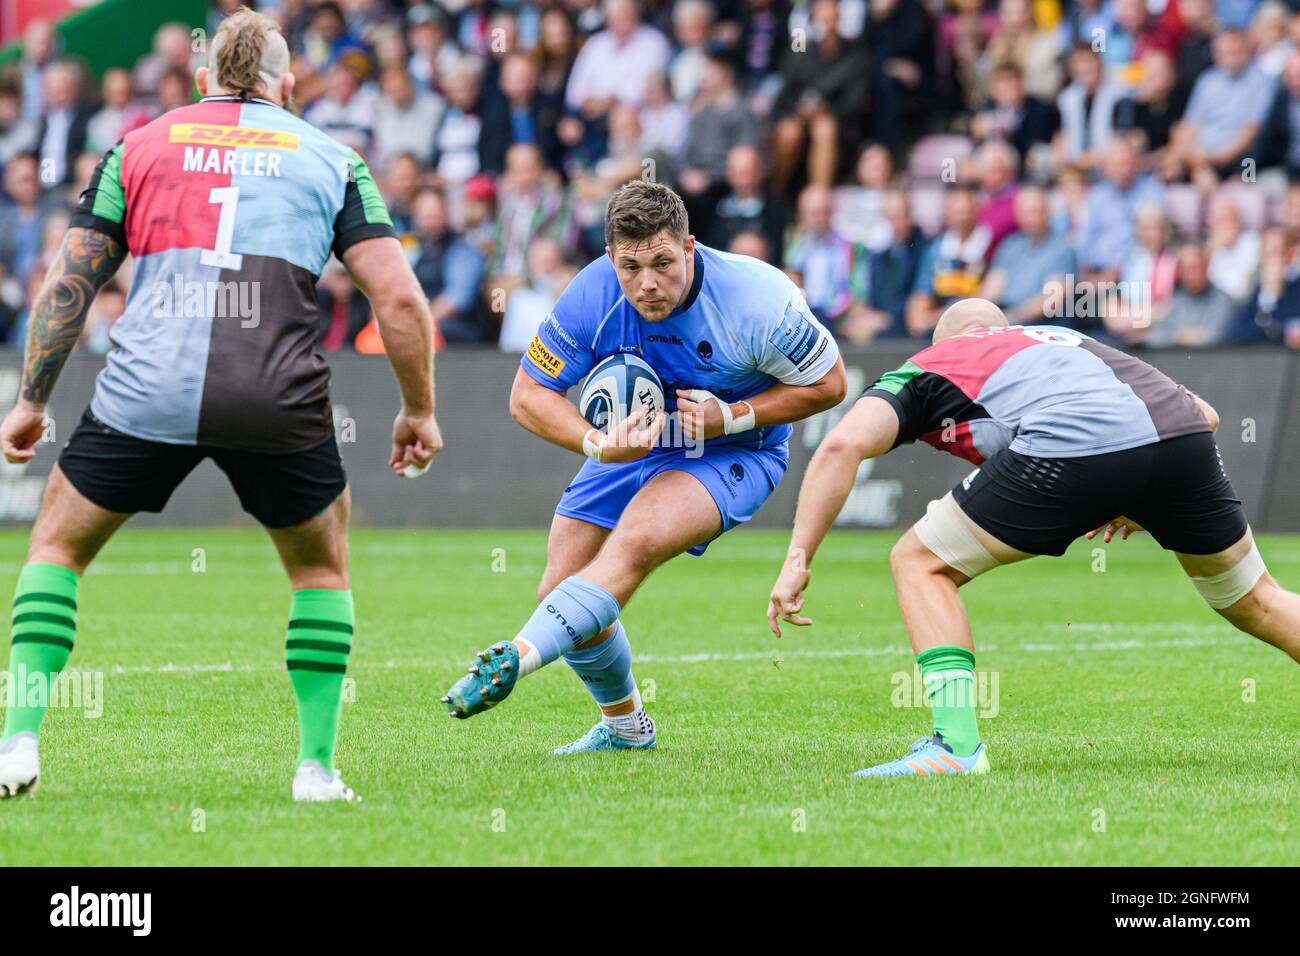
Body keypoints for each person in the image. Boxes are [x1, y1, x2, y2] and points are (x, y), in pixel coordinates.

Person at [0, 8, 442, 803]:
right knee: (318, 568)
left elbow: (69, 282)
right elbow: (401, 302)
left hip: (146, 391)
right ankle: (315, 769)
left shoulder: (137, 144)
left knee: (57, 549)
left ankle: (18, 745)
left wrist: (33, 400)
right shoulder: (333, 157)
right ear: (289, 85)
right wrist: (419, 410)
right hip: (275, 397)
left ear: (203, 81)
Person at [767, 299, 1299, 777]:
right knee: (1256, 599)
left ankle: (956, 748)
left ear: (943, 343)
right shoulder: (1069, 341)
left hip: (1074, 442)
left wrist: (798, 557)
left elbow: (841, 448)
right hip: (1182, 437)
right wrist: (1139, 501)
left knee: (920, 562)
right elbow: (1207, 414)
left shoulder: (932, 364)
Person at [439, 180, 846, 753]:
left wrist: (730, 417)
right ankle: (627, 728)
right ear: (610, 259)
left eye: (662, 262)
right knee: (560, 585)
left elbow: (831, 384)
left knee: (634, 542)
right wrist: (598, 445)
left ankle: (515, 658)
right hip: (636, 442)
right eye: (630, 267)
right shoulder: (591, 294)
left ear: (689, 248)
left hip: (738, 447)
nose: (647, 283)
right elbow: (527, 396)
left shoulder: (757, 298)